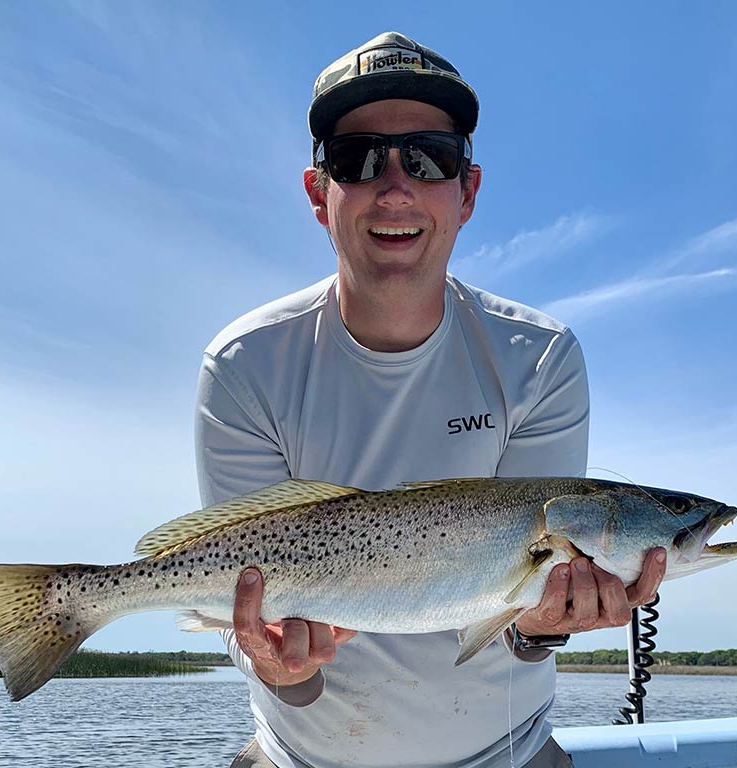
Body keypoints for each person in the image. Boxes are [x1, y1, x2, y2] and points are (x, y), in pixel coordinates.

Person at [195, 31, 666, 768]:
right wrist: (283, 669)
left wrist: (544, 625)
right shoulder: (244, 364)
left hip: (506, 754)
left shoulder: (539, 359)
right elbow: (246, 594)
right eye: (357, 160)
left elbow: (521, 619)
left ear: (467, 190)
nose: (394, 186)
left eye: (428, 157)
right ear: (320, 195)